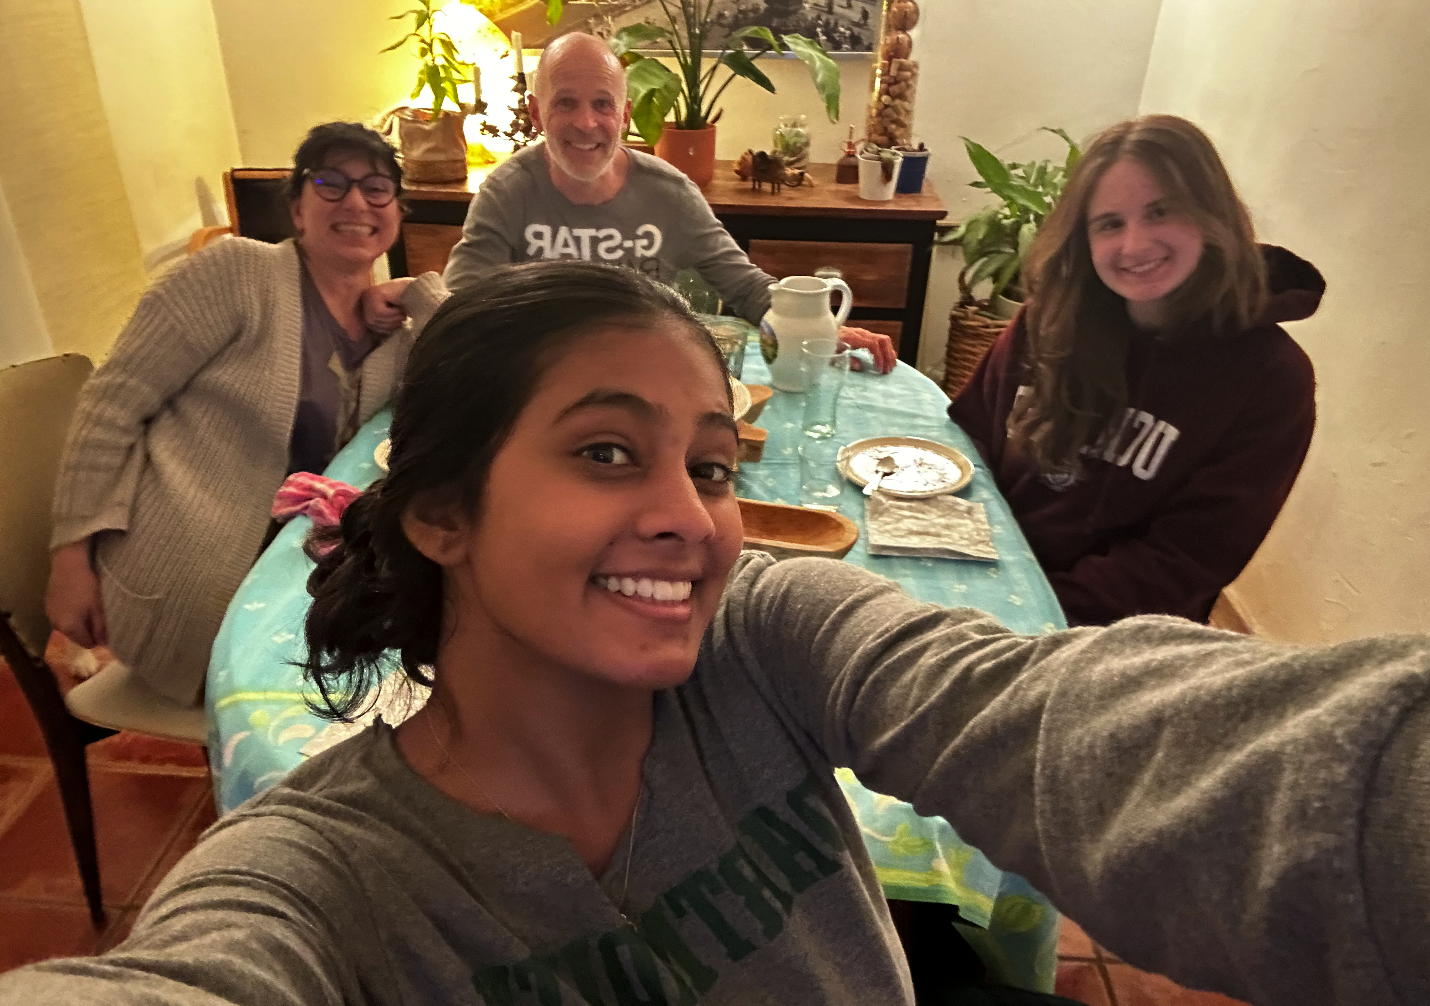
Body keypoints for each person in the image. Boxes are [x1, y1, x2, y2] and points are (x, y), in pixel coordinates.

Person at [3, 261, 1426, 1006]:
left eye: (709, 463)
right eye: (608, 453)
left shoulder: (763, 639)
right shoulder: (322, 884)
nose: (692, 517)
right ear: (436, 510)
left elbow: (1073, 728)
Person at [43, 121, 446, 707]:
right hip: (192, 589)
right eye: (330, 182)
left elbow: (470, 361)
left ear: (397, 212)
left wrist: (417, 292)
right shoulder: (235, 274)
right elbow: (110, 408)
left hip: (299, 572)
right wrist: (70, 556)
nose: (356, 200)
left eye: (376, 187)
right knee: (364, 698)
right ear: (297, 208)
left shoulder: (391, 329)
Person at [948, 115, 1322, 626]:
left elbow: (1185, 560)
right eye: (1110, 224)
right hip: (984, 583)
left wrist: (1022, 613)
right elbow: (969, 443)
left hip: (1110, 639)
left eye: (1160, 212)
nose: (1134, 245)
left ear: (1211, 218)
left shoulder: (1273, 379)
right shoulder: (1047, 320)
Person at [441, 31, 898, 375]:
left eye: (603, 104)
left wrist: (820, 329)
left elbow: (746, 288)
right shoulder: (506, 191)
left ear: (624, 114)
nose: (586, 123)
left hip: (648, 376)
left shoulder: (669, 192)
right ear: (538, 113)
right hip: (538, 378)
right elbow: (457, 310)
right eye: (565, 103)